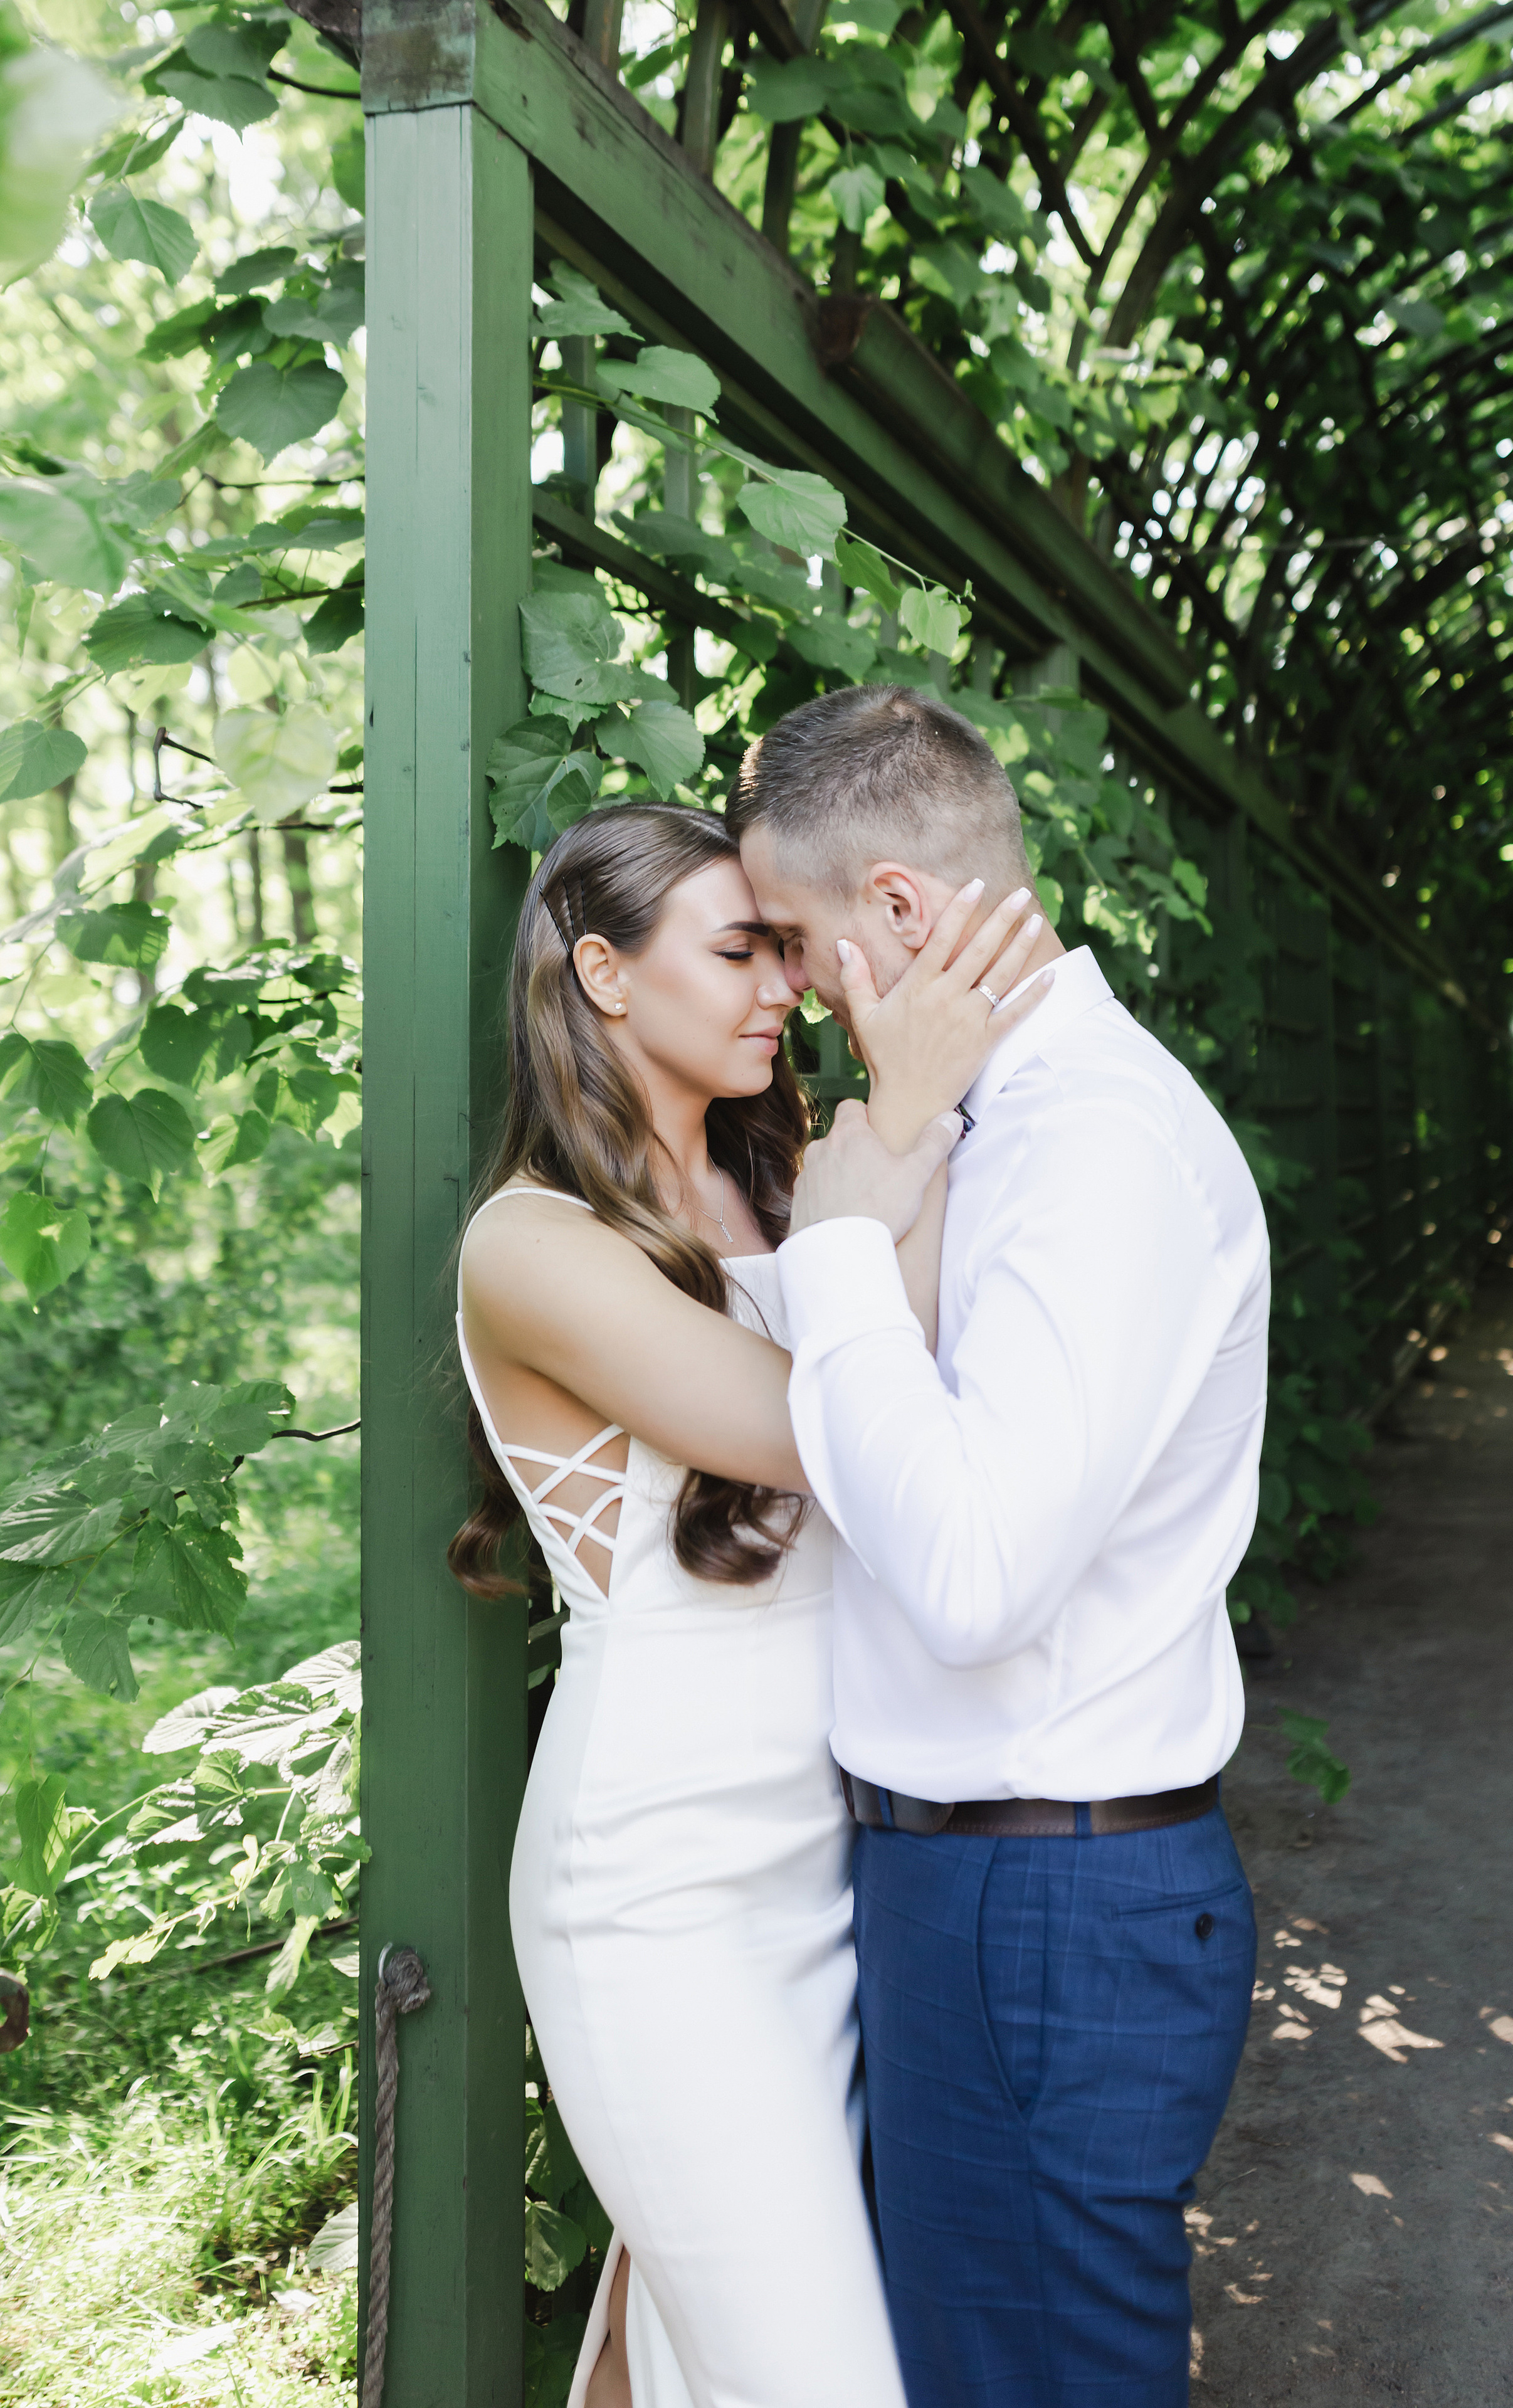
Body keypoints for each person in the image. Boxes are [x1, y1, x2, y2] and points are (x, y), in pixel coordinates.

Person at [449, 801, 1040, 2408]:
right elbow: (820, 1429)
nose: (782, 983)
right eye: (736, 950)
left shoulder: (793, 1195)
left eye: (786, 948)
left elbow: (920, 1413)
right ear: (604, 975)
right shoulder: (532, 1246)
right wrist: (902, 1132)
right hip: (661, 1892)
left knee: (699, 2353)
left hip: (833, 1869)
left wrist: (877, 1171)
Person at [731, 683, 1270, 2408]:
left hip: (1039, 1898)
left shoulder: (1096, 1144)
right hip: (986, 1885)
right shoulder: (999, 1129)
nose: (800, 990)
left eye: (803, 942)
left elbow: (971, 1576)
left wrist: (829, 1250)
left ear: (897, 910)